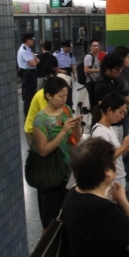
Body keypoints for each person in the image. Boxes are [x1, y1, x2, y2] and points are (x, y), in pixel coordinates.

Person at [27, 76, 82, 226]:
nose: (64, 100)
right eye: (60, 96)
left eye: (66, 96)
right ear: (49, 96)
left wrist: (77, 125)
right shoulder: (40, 120)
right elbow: (43, 150)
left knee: (69, 217)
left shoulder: (66, 110)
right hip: (51, 173)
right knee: (51, 220)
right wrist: (63, 131)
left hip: (69, 172)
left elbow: (77, 139)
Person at [90, 94, 129, 189]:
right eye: (120, 112)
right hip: (110, 181)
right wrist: (123, 146)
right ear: (109, 111)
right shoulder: (100, 132)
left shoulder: (109, 128)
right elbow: (104, 159)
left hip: (117, 177)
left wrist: (125, 148)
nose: (123, 116)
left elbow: (113, 153)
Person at [18, 32, 39, 116]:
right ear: (27, 40)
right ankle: (27, 116)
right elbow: (34, 63)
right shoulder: (24, 50)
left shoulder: (28, 49)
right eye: (32, 40)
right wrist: (35, 61)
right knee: (28, 97)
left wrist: (35, 61)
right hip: (28, 75)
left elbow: (37, 60)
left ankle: (31, 114)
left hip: (31, 74)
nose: (33, 41)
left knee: (32, 95)